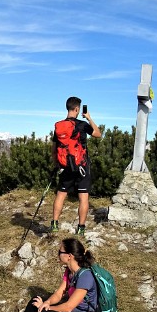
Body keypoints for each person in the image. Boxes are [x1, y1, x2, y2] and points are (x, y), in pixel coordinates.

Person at [49, 96, 102, 236]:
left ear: (67, 107)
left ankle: (54, 223)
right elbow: (98, 134)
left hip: (65, 165)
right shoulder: (81, 125)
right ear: (77, 109)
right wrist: (89, 118)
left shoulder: (59, 126)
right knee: (83, 197)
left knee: (61, 194)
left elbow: (54, 148)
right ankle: (81, 228)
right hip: (81, 166)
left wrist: (57, 163)